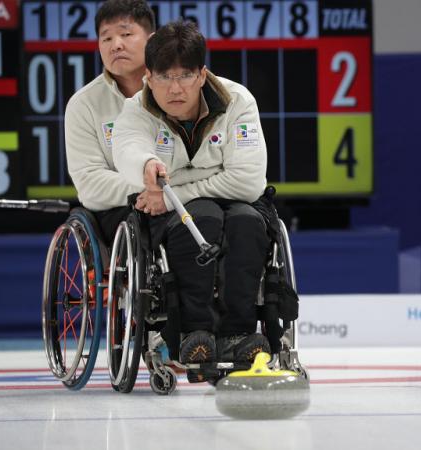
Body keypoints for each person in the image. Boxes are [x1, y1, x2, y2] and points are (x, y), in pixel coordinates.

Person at [111, 21, 272, 377]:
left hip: (207, 200)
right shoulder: (137, 110)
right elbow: (126, 150)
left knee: (246, 222)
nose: (175, 88)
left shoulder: (238, 102)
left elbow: (247, 182)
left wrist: (175, 194)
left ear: (202, 75)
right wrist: (146, 164)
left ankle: (239, 333)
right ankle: (194, 332)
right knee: (203, 216)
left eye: (185, 75)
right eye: (164, 77)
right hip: (181, 214)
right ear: (148, 78)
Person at [64, 0, 154, 243]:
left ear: (152, 40)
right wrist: (154, 188)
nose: (116, 45)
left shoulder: (176, 92)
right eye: (106, 39)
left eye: (126, 34)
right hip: (119, 213)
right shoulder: (83, 104)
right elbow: (90, 184)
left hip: (183, 202)